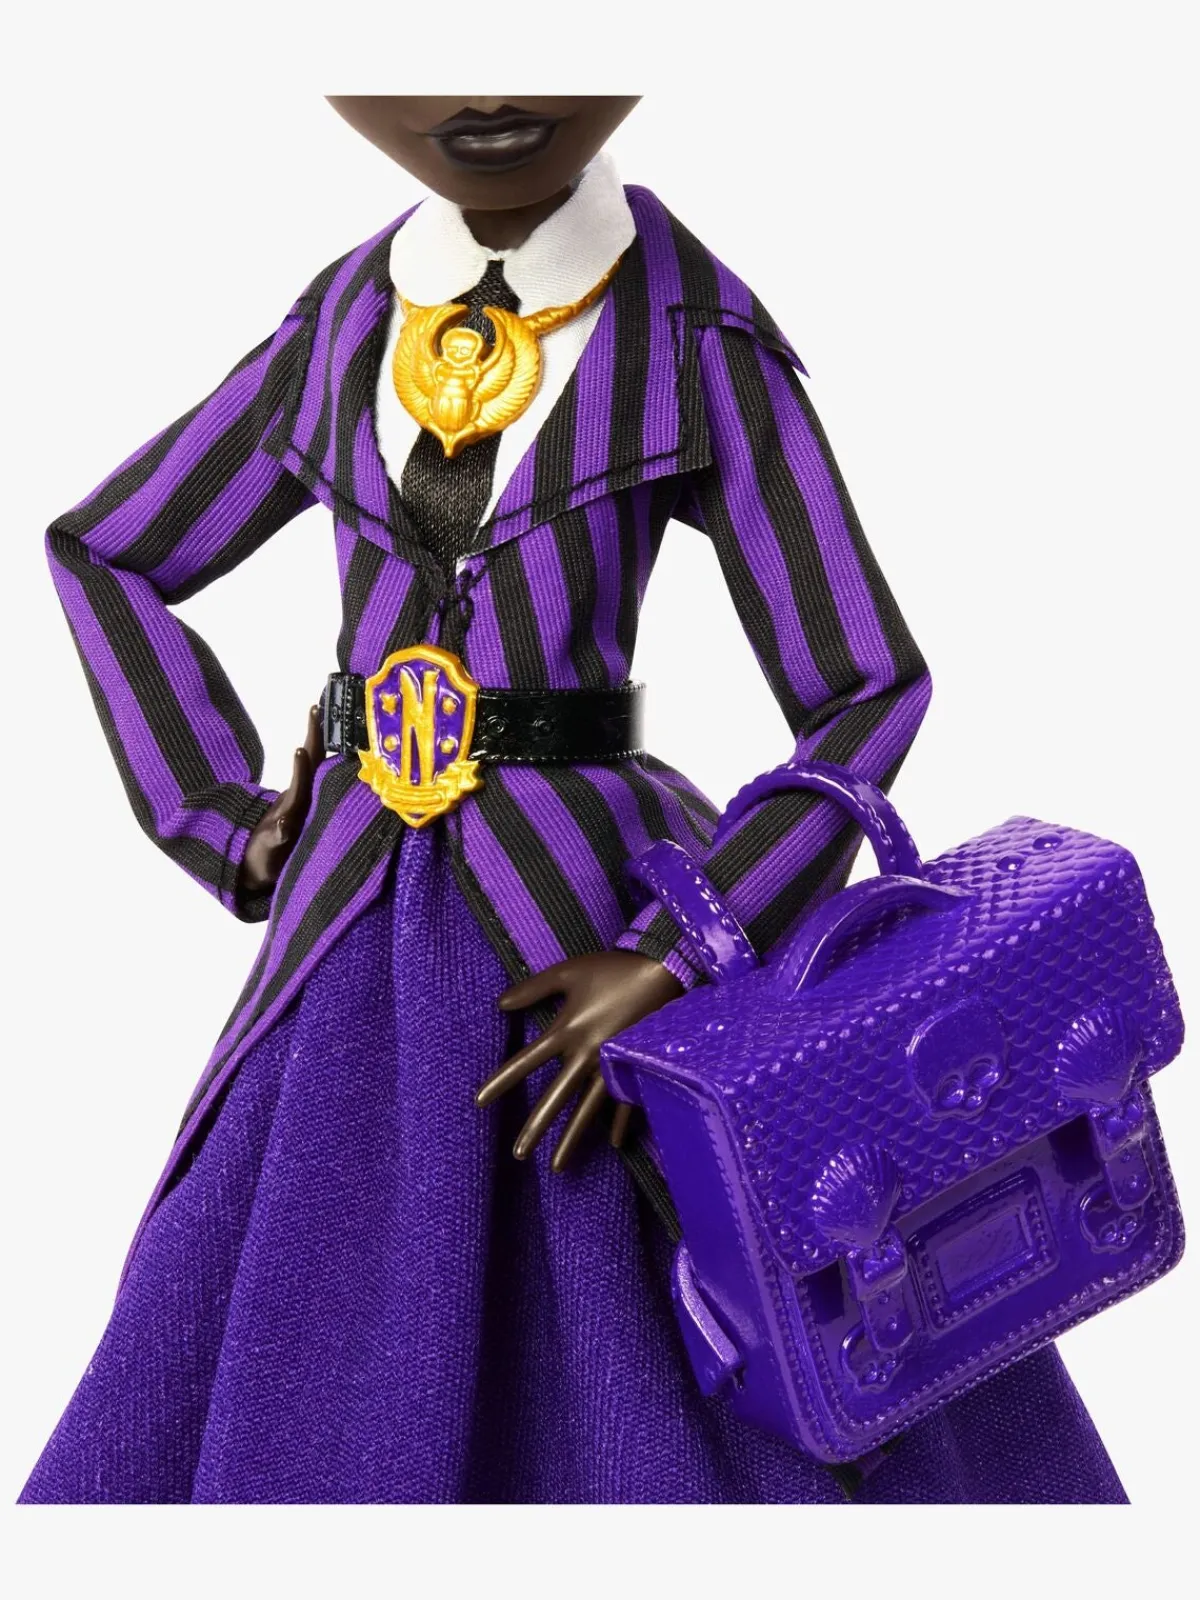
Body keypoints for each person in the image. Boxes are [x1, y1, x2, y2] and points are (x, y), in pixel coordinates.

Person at [19, 95, 1125, 1503]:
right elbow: (107, 549)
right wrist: (225, 824)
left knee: (665, 1301)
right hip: (352, 926)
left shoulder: (693, 333)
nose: (482, 81)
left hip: (590, 917)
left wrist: (684, 949)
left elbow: (864, 685)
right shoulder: (340, 325)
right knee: (286, 1300)